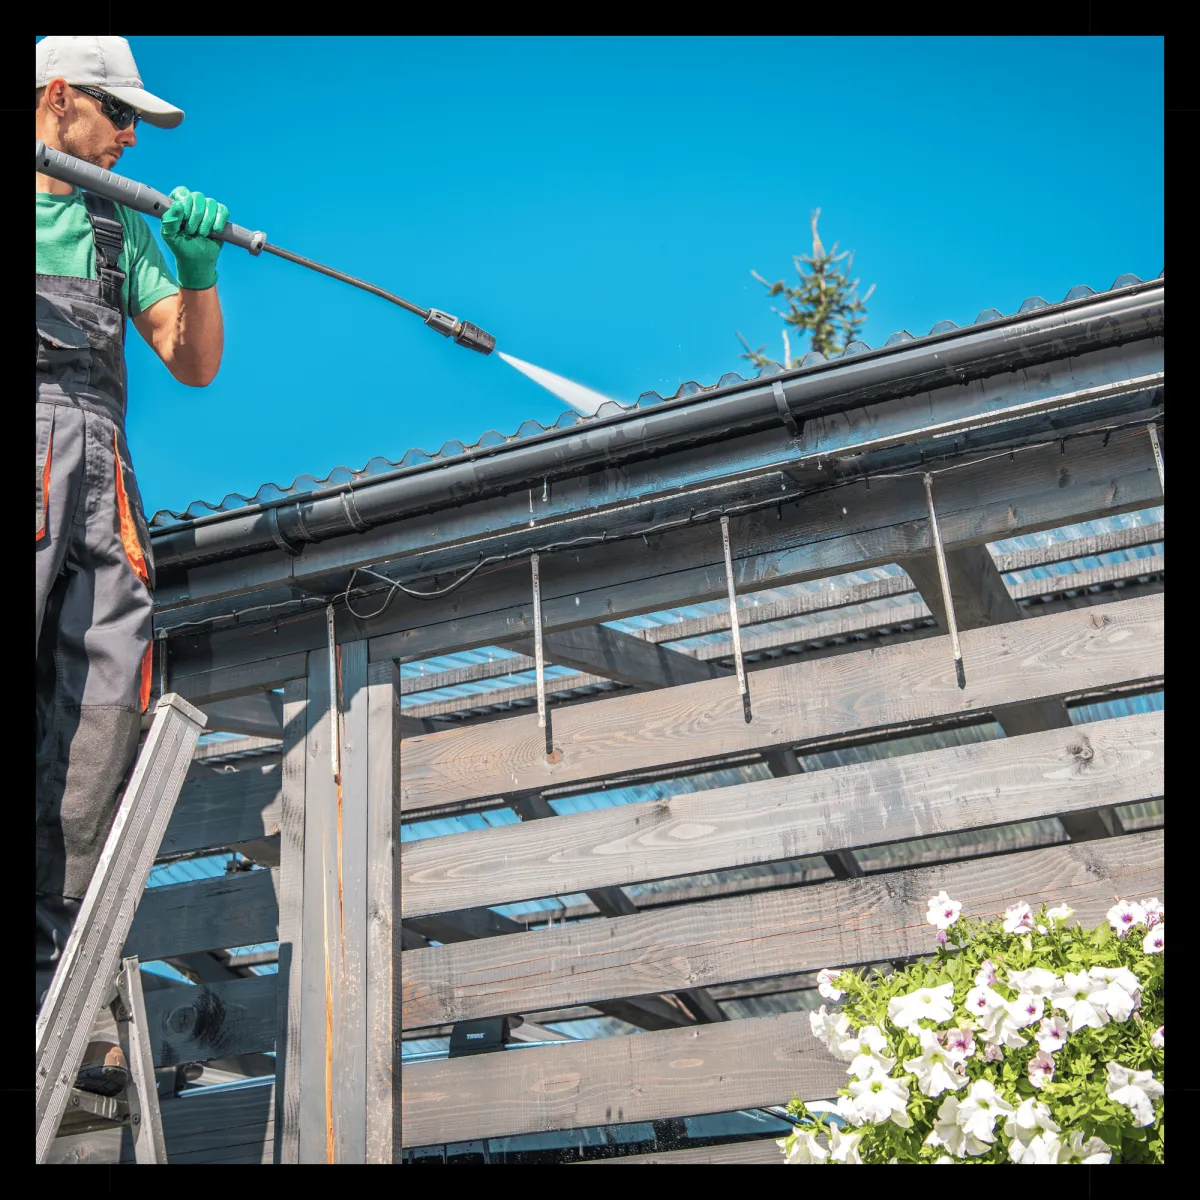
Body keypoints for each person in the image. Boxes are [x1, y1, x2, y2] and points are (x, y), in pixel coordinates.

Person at [36, 35, 231, 1094]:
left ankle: (56, 990)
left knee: (96, 726)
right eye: (114, 115)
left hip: (101, 488)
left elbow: (192, 361)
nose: (124, 137)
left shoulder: (116, 226)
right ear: (55, 96)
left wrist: (195, 270)